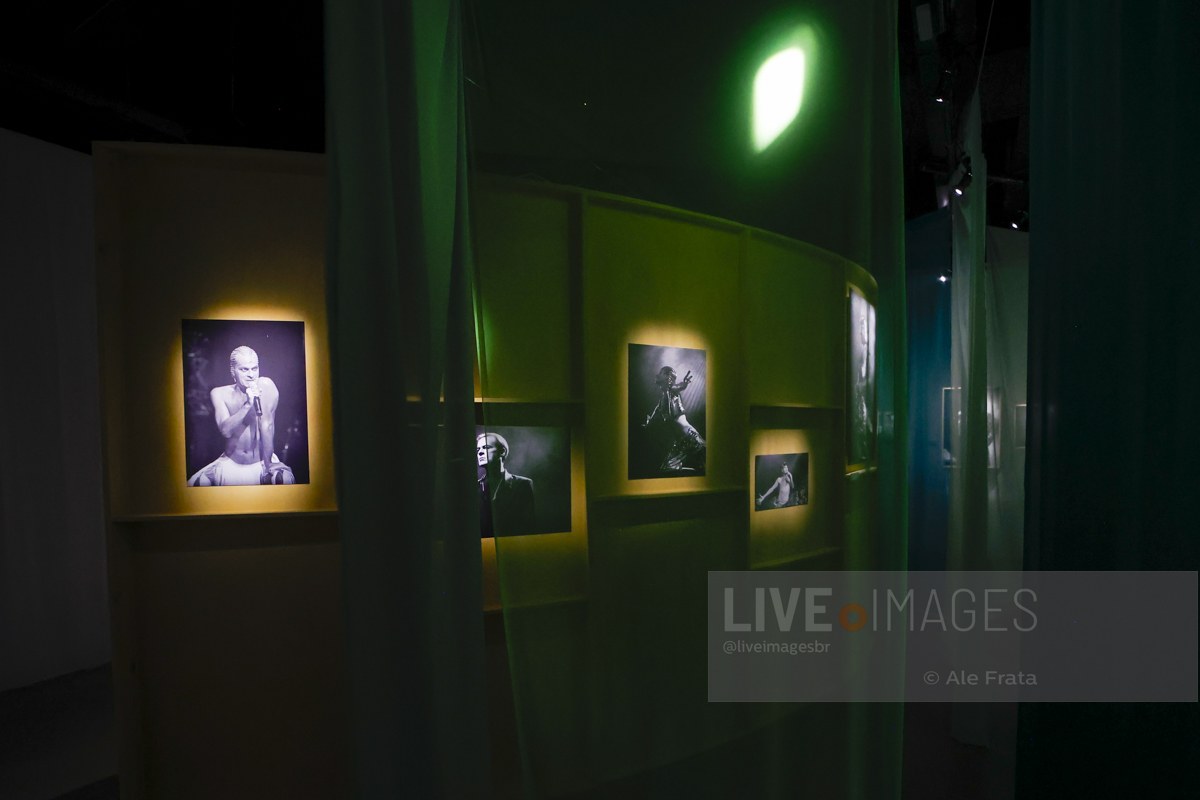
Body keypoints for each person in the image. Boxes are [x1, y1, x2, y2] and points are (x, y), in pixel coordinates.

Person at [188, 346, 295, 486]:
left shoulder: (266, 385)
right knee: (194, 483)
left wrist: (268, 464)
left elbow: (267, 426)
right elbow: (226, 431)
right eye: (244, 369)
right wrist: (247, 404)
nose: (251, 375)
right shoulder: (219, 393)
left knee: (283, 479)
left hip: (261, 461)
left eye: (254, 368)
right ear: (233, 371)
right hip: (231, 462)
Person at [642, 365, 706, 472]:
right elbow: (654, 415)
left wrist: (684, 384)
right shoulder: (662, 401)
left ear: (667, 377)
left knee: (708, 465)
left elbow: (679, 387)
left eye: (661, 373)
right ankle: (697, 472)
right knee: (667, 469)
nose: (657, 375)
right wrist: (648, 424)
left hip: (690, 437)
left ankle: (699, 471)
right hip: (680, 443)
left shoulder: (672, 391)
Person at [477, 431, 536, 537]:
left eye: (486, 447)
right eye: (478, 449)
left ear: (502, 451)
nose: (480, 452)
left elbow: (528, 526)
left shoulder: (522, 484)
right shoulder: (473, 488)